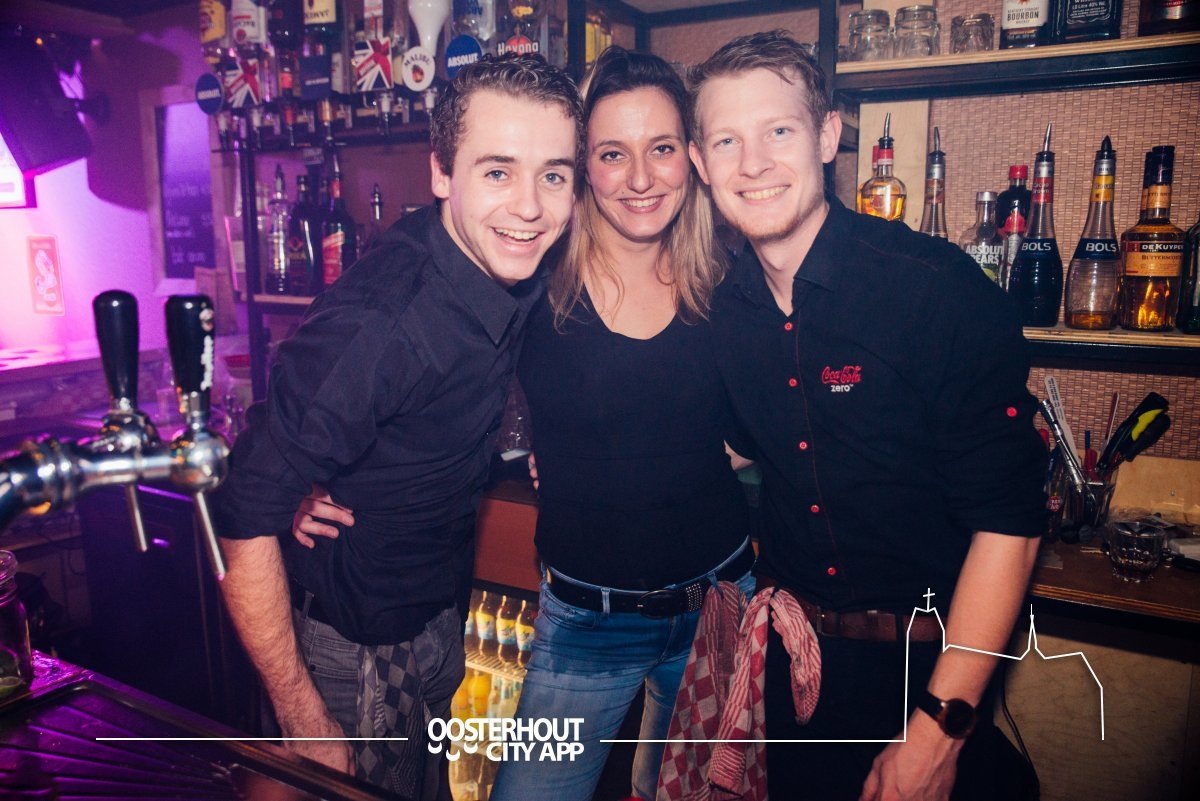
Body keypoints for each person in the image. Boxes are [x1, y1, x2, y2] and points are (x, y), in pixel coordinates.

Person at [295, 46, 755, 801]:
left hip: (719, 606)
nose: (641, 177)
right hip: (587, 621)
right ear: (582, 169)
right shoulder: (532, 275)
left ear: (693, 159)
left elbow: (769, 415)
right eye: (612, 153)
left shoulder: (727, 278)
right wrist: (307, 477)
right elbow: (376, 351)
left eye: (663, 148)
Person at [686, 31, 1048, 801]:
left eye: (778, 131)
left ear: (826, 137)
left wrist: (938, 733)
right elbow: (742, 445)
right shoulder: (728, 311)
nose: (753, 163)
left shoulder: (934, 290)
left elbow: (1011, 528)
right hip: (794, 670)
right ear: (700, 162)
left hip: (928, 670)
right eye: (726, 141)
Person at [211, 53, 581, 801]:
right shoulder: (383, 321)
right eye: (498, 171)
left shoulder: (506, 262)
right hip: (355, 650)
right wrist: (304, 718)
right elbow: (242, 512)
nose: (530, 207)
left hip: (435, 616)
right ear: (442, 171)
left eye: (553, 175)